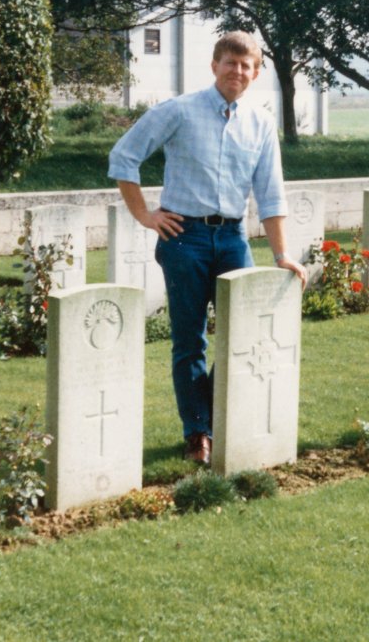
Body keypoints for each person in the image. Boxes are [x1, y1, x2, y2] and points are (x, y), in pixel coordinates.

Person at [108, 31, 307, 465]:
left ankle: (216, 416)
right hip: (185, 239)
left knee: (247, 331)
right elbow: (124, 156)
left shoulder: (260, 124)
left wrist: (280, 255)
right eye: (229, 62)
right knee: (189, 341)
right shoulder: (179, 111)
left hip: (233, 238)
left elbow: (271, 195)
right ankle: (198, 433)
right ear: (215, 64)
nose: (237, 71)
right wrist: (145, 215)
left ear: (256, 73)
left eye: (246, 65)